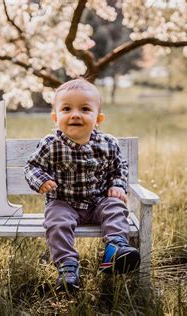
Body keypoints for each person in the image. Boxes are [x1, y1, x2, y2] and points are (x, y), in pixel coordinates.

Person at [24, 78, 140, 291]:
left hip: (98, 202)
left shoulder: (108, 144)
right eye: (66, 109)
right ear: (55, 117)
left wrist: (117, 185)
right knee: (56, 222)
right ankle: (67, 267)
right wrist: (40, 181)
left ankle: (115, 249)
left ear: (98, 119)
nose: (75, 114)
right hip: (63, 203)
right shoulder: (51, 145)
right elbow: (32, 167)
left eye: (85, 109)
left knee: (115, 207)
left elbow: (119, 167)